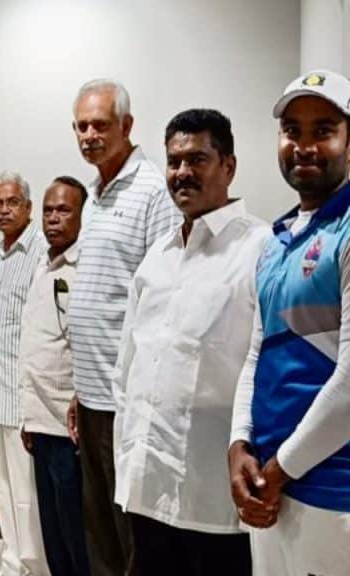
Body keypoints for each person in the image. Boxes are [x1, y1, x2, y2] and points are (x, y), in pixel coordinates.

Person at [115, 109, 267, 576]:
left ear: (229, 166)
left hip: (213, 492)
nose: (182, 172)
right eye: (174, 161)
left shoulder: (259, 248)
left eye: (197, 159)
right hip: (147, 483)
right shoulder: (158, 255)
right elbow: (128, 364)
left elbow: (264, 364)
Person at [230, 70, 350, 576]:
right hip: (270, 486)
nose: (304, 146)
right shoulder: (277, 239)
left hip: (333, 495)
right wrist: (239, 444)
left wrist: (279, 470)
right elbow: (257, 351)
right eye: (292, 131)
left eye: (323, 130)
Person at [67, 78, 181, 575]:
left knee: (132, 526)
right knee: (98, 525)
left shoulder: (153, 191)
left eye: (99, 125)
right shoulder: (94, 194)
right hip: (92, 394)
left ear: (127, 125)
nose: (89, 136)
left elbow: (163, 296)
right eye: (81, 127)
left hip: (128, 398)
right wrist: (79, 388)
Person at [0, 172, 50, 576]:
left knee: (27, 489)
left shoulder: (40, 253)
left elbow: (42, 330)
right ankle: (10, 558)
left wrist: (33, 398)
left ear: (28, 207)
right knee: (3, 485)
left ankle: (34, 565)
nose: (4, 210)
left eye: (12, 203)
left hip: (24, 393)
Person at [19, 176, 88, 576]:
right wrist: (28, 417)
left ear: (82, 216)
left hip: (68, 427)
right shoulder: (42, 266)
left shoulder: (84, 270)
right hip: (39, 421)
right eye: (48, 211)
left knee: (76, 529)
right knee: (53, 531)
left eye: (63, 210)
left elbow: (86, 347)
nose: (53, 218)